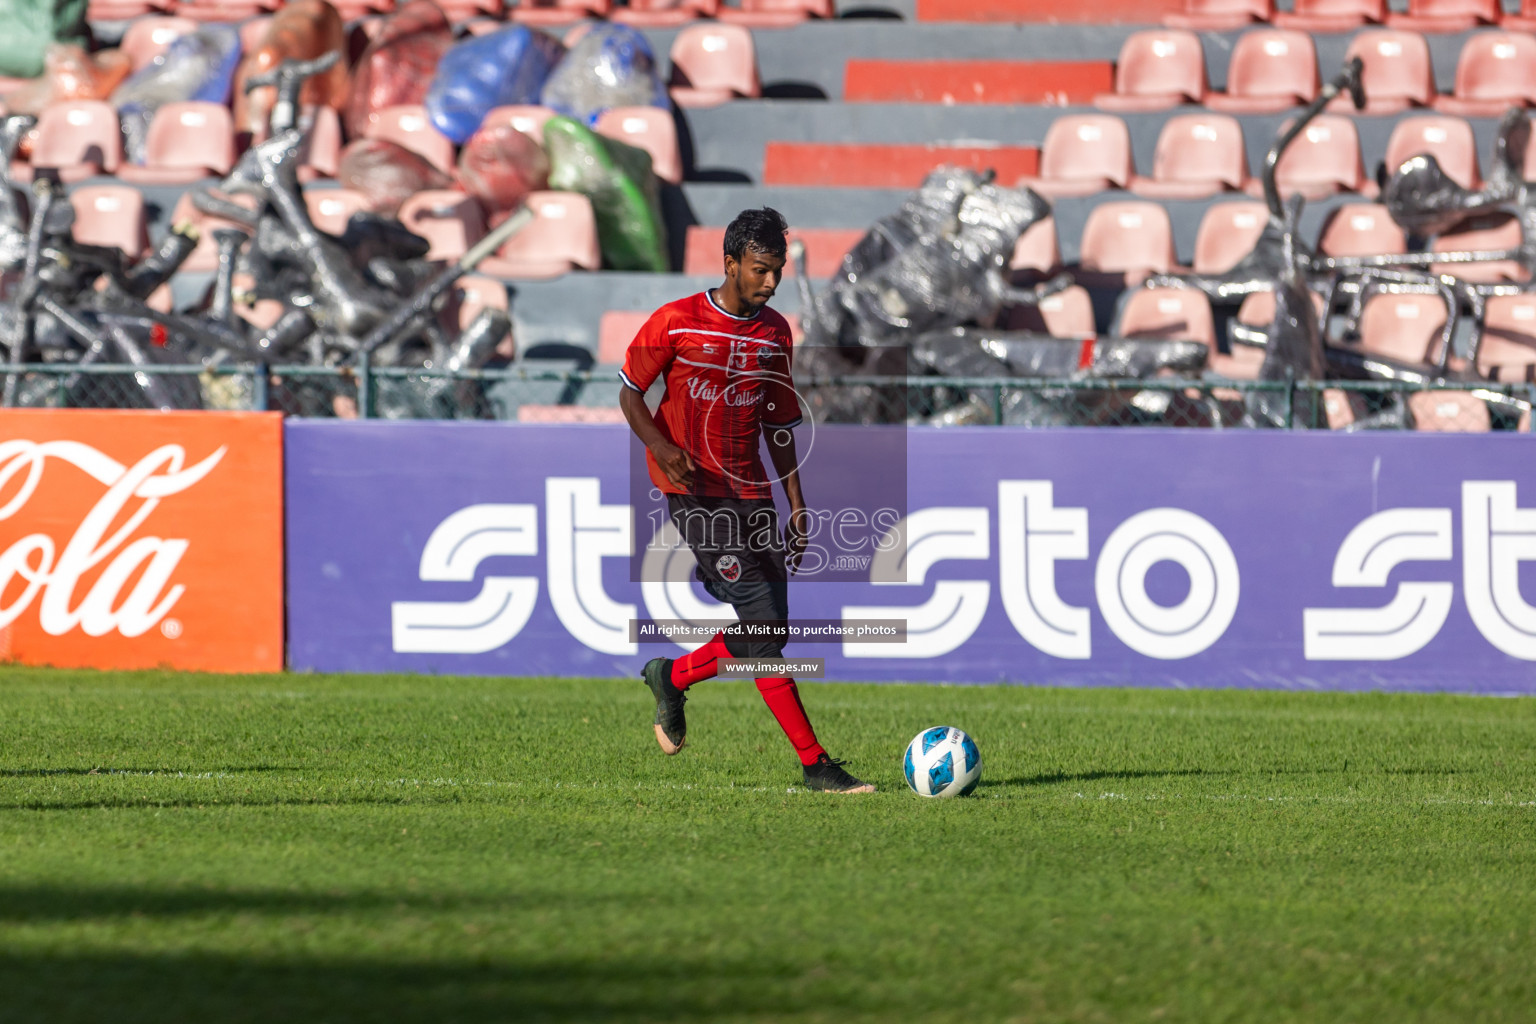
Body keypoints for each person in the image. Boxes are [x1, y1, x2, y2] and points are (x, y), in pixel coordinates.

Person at [618, 207, 875, 794]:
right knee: (761, 626)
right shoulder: (676, 322)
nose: (771, 281)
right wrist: (662, 444)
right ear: (730, 262)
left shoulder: (776, 332)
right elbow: (631, 393)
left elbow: (779, 424)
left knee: (770, 632)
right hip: (695, 493)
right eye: (760, 269)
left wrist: (797, 503)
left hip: (752, 492)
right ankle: (816, 766)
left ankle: (672, 675)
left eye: (778, 270)